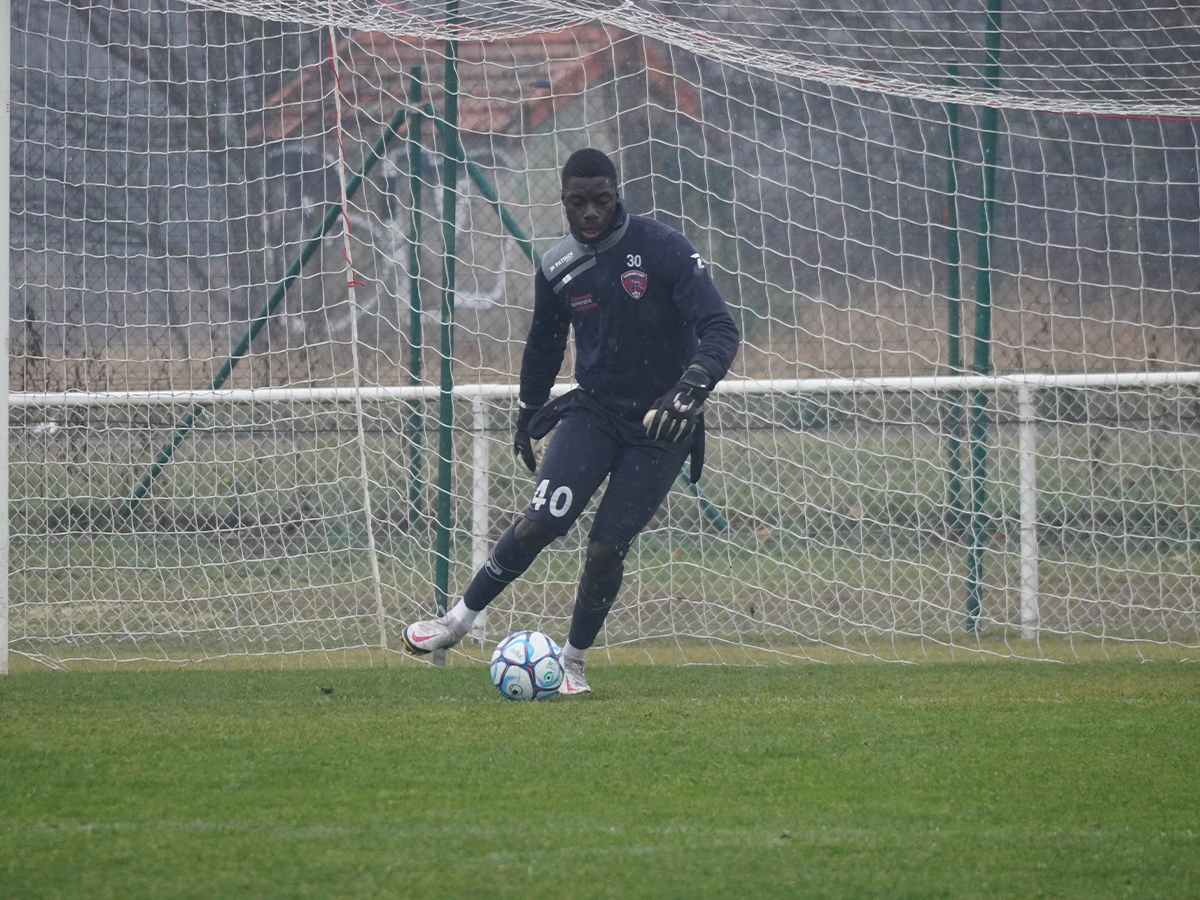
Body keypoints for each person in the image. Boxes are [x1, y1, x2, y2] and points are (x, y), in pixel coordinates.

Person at [402, 148, 740, 694]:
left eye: (601, 201)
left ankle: (573, 663)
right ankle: (456, 622)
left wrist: (690, 388)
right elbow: (543, 343)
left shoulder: (663, 248)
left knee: (606, 546)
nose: (590, 213)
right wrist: (529, 409)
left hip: (661, 427)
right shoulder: (558, 266)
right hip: (595, 412)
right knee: (540, 521)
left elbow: (721, 328)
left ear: (616, 194)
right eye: (577, 202)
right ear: (563, 199)